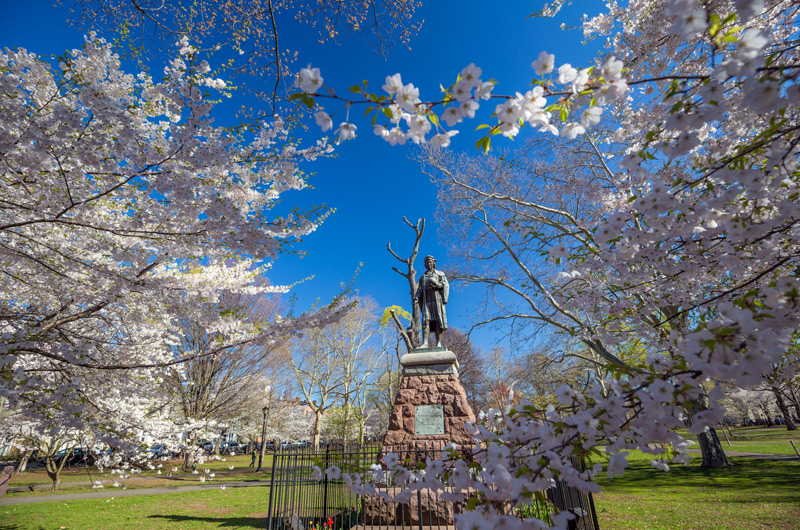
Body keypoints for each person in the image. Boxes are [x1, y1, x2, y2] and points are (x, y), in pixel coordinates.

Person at [415, 255, 449, 348]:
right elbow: (420, 289)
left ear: (433, 263)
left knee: (438, 320)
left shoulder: (439, 274)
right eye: (426, 262)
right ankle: (425, 343)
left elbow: (445, 285)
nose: (429, 264)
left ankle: (438, 343)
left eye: (430, 262)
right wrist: (417, 297)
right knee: (426, 321)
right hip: (427, 301)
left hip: (437, 299)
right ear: (425, 265)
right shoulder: (423, 277)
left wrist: (438, 285)